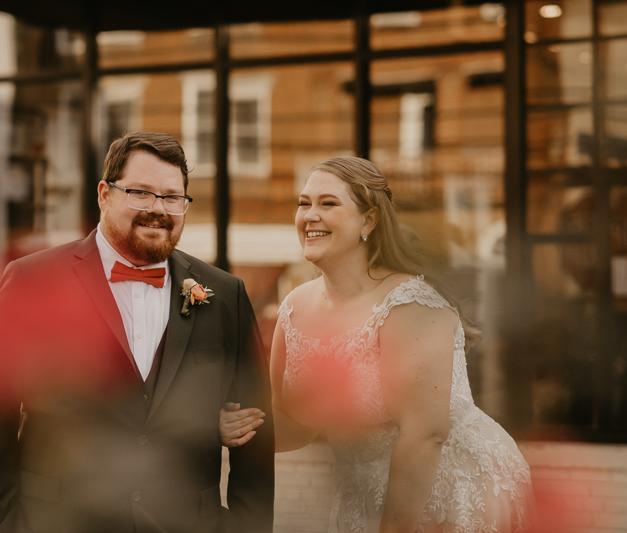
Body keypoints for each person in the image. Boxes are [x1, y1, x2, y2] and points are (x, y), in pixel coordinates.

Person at [0, 131, 274, 533]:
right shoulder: (33, 281)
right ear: (103, 195)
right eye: (140, 193)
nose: (157, 209)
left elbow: (254, 432)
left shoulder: (225, 294)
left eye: (171, 197)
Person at [219, 156, 531, 533]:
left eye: (328, 203)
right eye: (304, 203)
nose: (310, 215)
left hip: (449, 488)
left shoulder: (408, 303)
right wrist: (227, 428)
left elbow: (425, 435)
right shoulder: (294, 308)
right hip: (360, 495)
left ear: (369, 220)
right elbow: (294, 423)